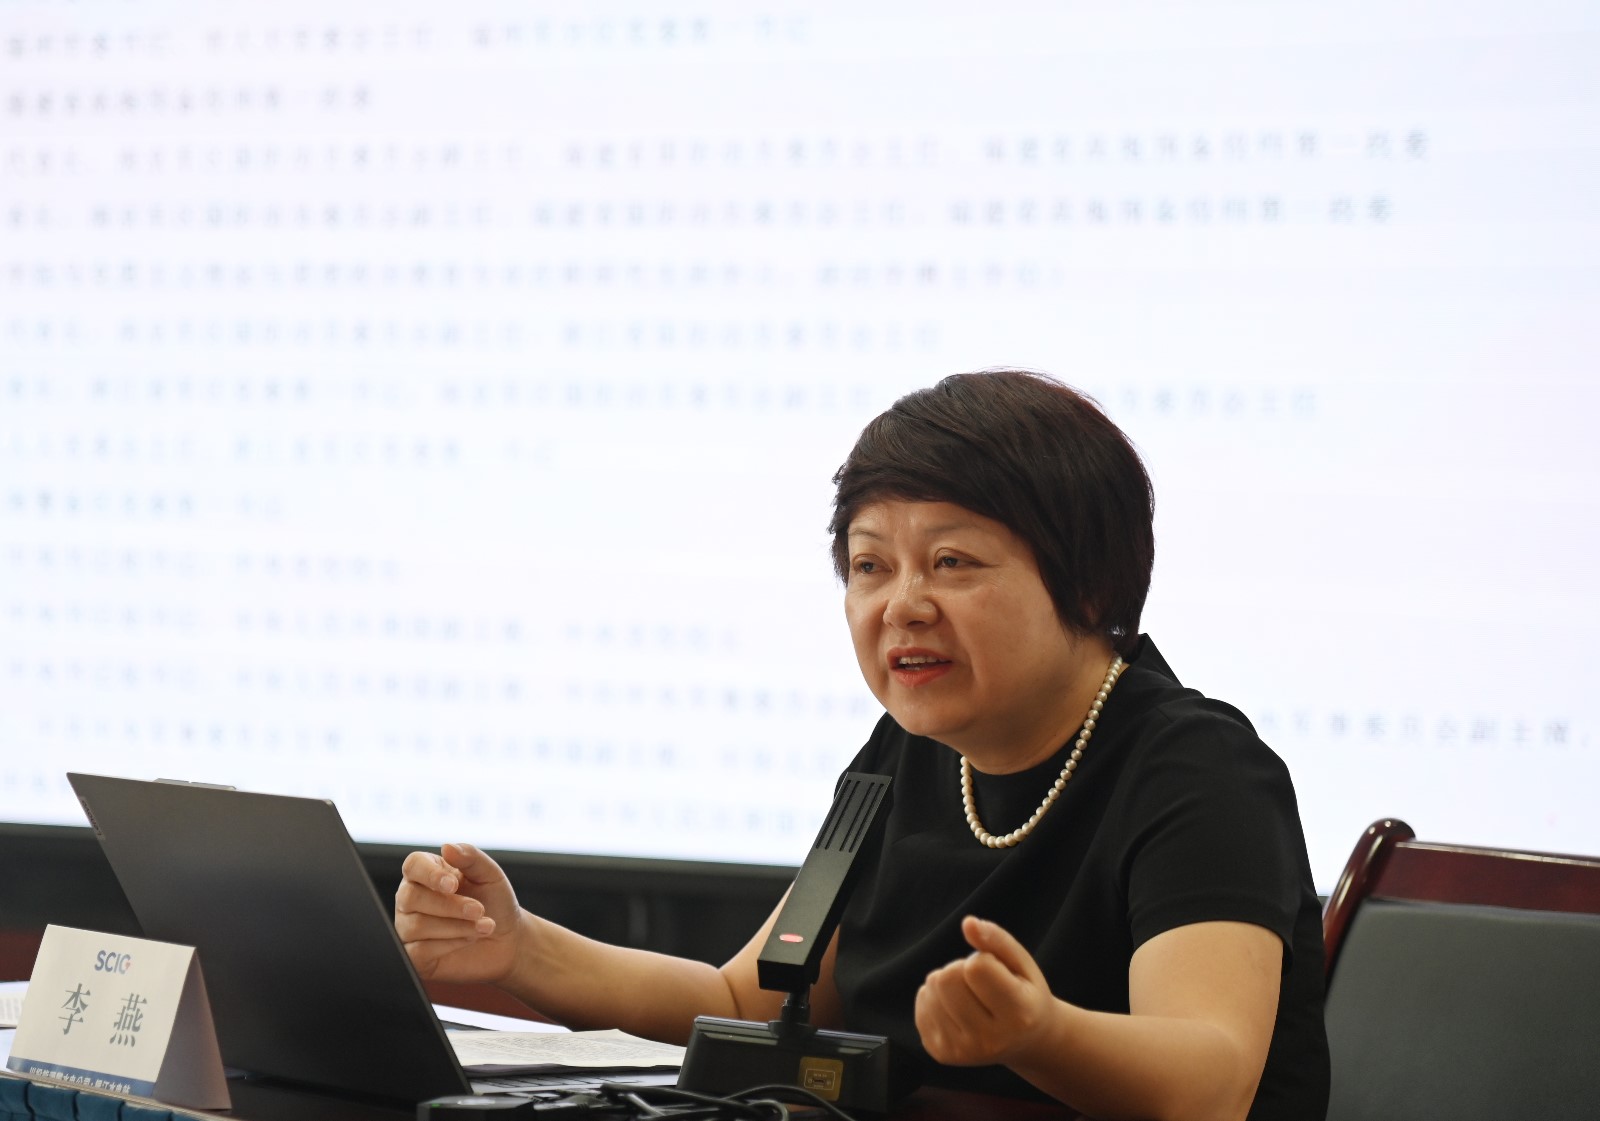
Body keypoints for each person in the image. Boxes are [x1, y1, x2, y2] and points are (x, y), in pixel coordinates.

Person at [395, 369, 1330, 1121]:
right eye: (871, 564)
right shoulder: (907, 753)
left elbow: (1208, 1084)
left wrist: (1038, 1033)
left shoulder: (1195, 771)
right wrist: (518, 948)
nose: (902, 604)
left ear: (1087, 583)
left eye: (952, 562)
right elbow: (746, 1004)